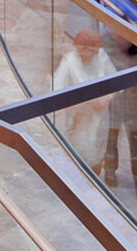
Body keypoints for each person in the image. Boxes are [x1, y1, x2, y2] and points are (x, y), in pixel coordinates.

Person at [102, 40, 137, 208]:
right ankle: (109, 175)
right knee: (111, 139)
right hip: (115, 105)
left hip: (135, 106)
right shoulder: (108, 50)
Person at [51, 28, 119, 156]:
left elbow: (116, 81)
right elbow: (56, 85)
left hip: (99, 114)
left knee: (98, 151)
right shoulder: (69, 60)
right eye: (82, 49)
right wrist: (70, 103)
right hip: (78, 116)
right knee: (77, 150)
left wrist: (107, 97)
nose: (86, 53)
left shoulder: (101, 56)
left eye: (90, 50)